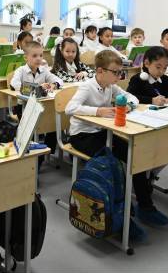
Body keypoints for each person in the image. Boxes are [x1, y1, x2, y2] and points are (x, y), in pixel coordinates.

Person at [66, 51, 160, 238]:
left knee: (134, 155)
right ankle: (121, 219)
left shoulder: (110, 86)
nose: (119, 76)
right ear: (100, 71)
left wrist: (128, 105)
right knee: (114, 165)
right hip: (82, 136)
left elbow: (132, 97)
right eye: (115, 72)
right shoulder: (87, 86)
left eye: (120, 72)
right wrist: (98, 111)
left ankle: (145, 207)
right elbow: (70, 108)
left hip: (102, 132)